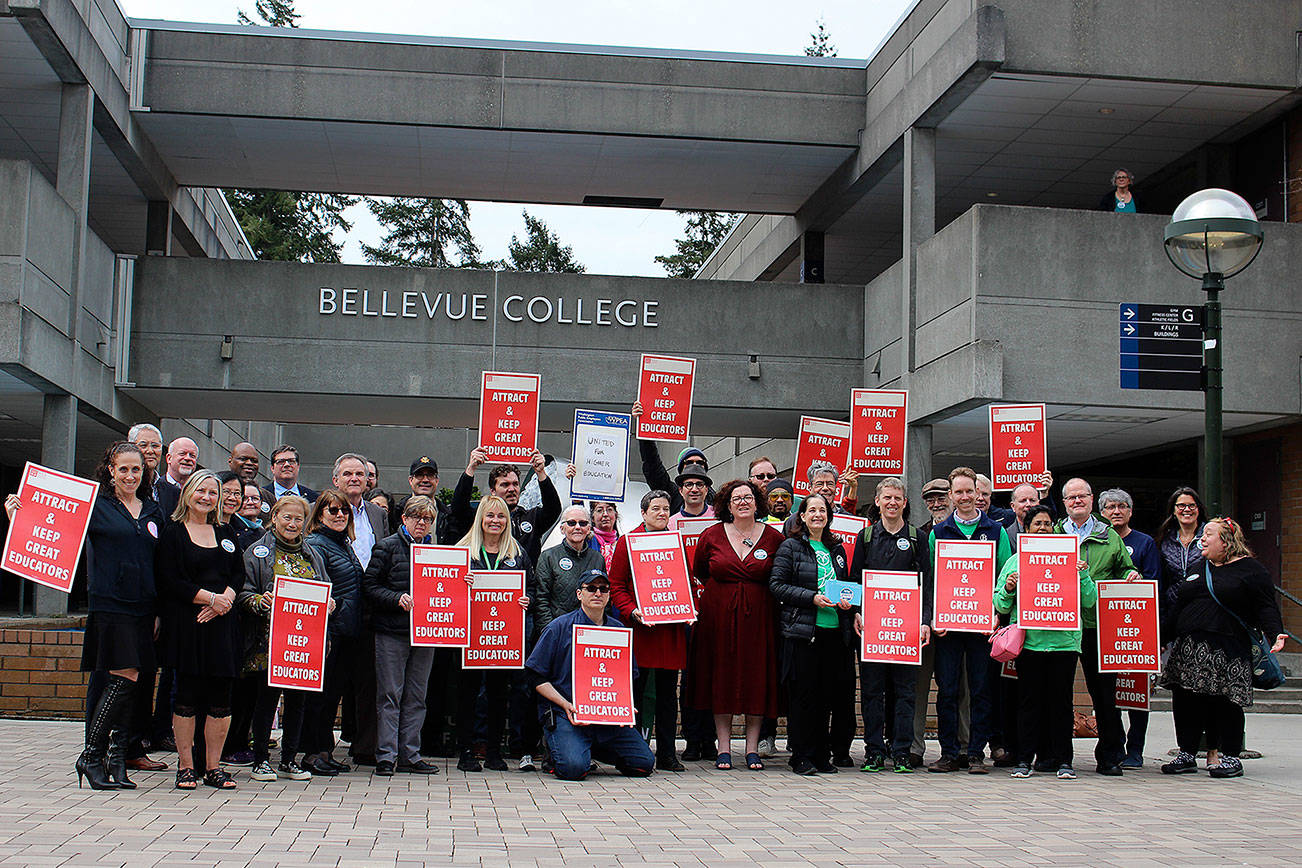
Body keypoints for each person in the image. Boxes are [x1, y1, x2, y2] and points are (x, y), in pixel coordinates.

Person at [6, 444, 163, 790]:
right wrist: (15, 516)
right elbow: (52, 532)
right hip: (110, 603)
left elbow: (159, 562)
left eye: (136, 469)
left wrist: (158, 612)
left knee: (131, 683)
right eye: (123, 469)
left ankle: (117, 761)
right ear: (110, 470)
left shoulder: (153, 510)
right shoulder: (97, 506)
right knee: (124, 677)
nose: (130, 476)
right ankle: (91, 755)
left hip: (144, 606)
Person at [1160, 518, 1286, 779]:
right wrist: (1162, 637)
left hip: (1228, 650)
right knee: (1185, 702)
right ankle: (1187, 753)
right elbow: (1179, 607)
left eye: (1208, 534)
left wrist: (1276, 633)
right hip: (1189, 650)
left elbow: (1266, 606)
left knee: (1225, 703)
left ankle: (1230, 757)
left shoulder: (1251, 570)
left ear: (1226, 541)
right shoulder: (1199, 567)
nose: (1202, 539)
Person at [154, 470, 242, 790]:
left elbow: (238, 574)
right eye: (201, 491)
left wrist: (225, 601)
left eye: (213, 493)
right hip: (188, 625)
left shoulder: (227, 531)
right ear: (188, 493)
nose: (207, 498)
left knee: (221, 697)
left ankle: (214, 767)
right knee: (186, 696)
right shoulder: (173, 532)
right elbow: (170, 579)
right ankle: (186, 765)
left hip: (222, 625)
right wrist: (210, 598)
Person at [525, 569, 656, 781]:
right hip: (567, 715)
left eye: (603, 589)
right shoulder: (559, 627)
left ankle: (586, 749)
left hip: (607, 719)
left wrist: (624, 705)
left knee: (643, 764)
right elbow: (535, 677)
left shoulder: (618, 631)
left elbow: (628, 677)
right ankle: (560, 750)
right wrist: (565, 704)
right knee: (574, 769)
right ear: (579, 594)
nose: (597, 593)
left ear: (609, 595)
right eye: (591, 588)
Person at [995, 505, 1096, 780]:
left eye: (1047, 523)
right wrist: (1008, 588)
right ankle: (1024, 760)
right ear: (1026, 528)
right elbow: (1000, 605)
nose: (1042, 528)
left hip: (1064, 644)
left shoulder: (1070, 557)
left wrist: (1082, 574)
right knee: (1029, 704)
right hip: (1031, 644)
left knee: (1061, 706)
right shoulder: (1015, 561)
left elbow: (1089, 602)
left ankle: (1064, 761)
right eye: (1037, 523)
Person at [689, 480, 784, 771]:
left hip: (760, 620)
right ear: (727, 505)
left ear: (757, 502)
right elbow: (701, 571)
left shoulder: (772, 537)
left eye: (748, 497)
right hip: (718, 618)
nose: (742, 502)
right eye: (736, 498)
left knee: (757, 678)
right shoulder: (712, 535)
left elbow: (778, 574)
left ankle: (753, 748)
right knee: (722, 678)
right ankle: (724, 748)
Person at [926, 467, 1013, 774]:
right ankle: (949, 753)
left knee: (981, 690)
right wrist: (936, 615)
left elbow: (1005, 576)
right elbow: (932, 580)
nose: (964, 497)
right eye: (958, 492)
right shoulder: (938, 533)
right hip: (949, 626)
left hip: (982, 626)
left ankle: (976, 753)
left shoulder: (996, 531)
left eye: (969, 491)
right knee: (947, 690)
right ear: (951, 496)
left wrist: (997, 613)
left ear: (979, 493)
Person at [238, 495, 329, 783]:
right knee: (266, 702)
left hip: (302, 645)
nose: (292, 523)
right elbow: (242, 592)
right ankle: (261, 761)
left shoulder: (312, 554)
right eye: (286, 517)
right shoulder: (258, 552)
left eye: (298, 518)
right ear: (274, 517)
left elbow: (326, 588)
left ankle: (289, 760)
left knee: (297, 701)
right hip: (267, 643)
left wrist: (330, 603)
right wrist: (258, 601)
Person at [1056, 477, 1140, 776]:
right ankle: (1058, 755)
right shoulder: (1053, 533)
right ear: (1064, 503)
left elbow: (1125, 568)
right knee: (1059, 694)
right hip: (1059, 626)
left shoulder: (1109, 535)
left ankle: (1110, 755)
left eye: (1082, 496)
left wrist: (1131, 575)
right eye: (1070, 497)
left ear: (1092, 500)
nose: (1076, 501)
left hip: (1097, 625)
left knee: (1104, 694)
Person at [849, 477, 932, 774]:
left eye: (898, 498)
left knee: (905, 693)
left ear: (905, 503)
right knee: (872, 692)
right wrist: (856, 612)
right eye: (888, 498)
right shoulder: (867, 537)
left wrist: (925, 622)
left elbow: (927, 586)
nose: (893, 503)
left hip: (906, 630)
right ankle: (873, 751)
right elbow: (855, 579)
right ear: (879, 501)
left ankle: (901, 751)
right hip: (873, 629)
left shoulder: (916, 538)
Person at [769, 493, 855, 775]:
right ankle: (801, 756)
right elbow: (777, 586)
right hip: (804, 633)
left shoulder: (837, 549)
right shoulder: (791, 547)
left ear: (829, 516)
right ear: (802, 516)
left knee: (827, 697)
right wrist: (812, 598)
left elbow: (846, 586)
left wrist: (847, 602)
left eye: (823, 510)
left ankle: (821, 754)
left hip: (834, 633)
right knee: (803, 696)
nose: (818, 514)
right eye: (812, 510)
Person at [363, 495, 445, 776]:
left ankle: (410, 753)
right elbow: (370, 586)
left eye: (427, 519)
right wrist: (396, 597)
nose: (422, 523)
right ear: (404, 518)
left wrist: (462, 580)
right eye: (417, 517)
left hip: (426, 634)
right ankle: (386, 755)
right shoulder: (386, 547)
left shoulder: (437, 551)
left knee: (417, 696)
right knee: (390, 694)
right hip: (392, 632)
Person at [609, 491, 688, 772]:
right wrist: (631, 611)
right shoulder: (627, 542)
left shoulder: (677, 542)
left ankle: (667, 753)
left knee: (668, 694)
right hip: (640, 629)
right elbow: (615, 585)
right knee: (636, 693)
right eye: (656, 508)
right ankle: (635, 750)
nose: (662, 513)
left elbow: (687, 582)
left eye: (666, 509)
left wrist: (690, 609)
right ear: (643, 513)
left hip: (670, 630)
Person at [454, 495, 533, 772]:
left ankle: (494, 752)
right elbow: (449, 590)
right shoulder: (463, 551)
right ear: (480, 519)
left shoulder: (517, 553)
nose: (496, 521)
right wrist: (460, 585)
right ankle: (466, 751)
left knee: (500, 694)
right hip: (471, 636)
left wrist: (527, 601)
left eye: (501, 516)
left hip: (503, 637)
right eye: (490, 516)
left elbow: (531, 589)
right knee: (469, 693)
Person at [302, 490, 366, 776]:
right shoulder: (316, 543)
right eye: (333, 510)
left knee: (331, 696)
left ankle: (325, 751)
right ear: (320, 515)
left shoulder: (344, 544)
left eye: (344, 511)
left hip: (346, 632)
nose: (340, 515)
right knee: (319, 696)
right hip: (328, 633)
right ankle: (312, 753)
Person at [1100, 487, 1162, 768]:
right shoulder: (1101, 540)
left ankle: (1136, 749)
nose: (1116, 511)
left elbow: (1153, 582)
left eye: (1122, 506)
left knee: (1137, 691)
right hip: (1105, 625)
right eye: (1111, 507)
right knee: (1109, 692)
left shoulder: (1145, 542)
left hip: (1136, 627)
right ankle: (1116, 745)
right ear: (1101, 513)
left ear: (1130, 511)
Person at [333, 452, 389, 766]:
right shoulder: (328, 509)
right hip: (338, 605)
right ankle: (319, 747)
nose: (355, 479)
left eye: (360, 474)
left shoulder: (377, 514)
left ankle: (365, 747)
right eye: (348, 474)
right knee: (334, 679)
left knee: (370, 680)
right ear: (336, 479)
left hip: (372, 605)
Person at [454, 448, 560, 564]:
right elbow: (458, 508)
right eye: (505, 485)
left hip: (524, 580)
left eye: (515, 484)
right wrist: (471, 468)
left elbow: (553, 509)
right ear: (493, 491)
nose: (511, 489)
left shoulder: (532, 518)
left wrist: (541, 473)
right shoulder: (482, 518)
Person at [630, 401, 714, 514]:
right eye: (689, 462)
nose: (695, 466)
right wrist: (644, 426)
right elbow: (652, 466)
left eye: (699, 463)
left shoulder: (718, 500)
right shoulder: (672, 495)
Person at [535, 505, 605, 635]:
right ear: (562, 528)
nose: (577, 527)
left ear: (589, 528)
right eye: (572, 523)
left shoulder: (598, 558)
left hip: (589, 632)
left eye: (583, 523)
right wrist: (550, 632)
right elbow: (541, 600)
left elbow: (604, 597)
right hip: (558, 631)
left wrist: (602, 630)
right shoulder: (548, 556)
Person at [1156, 487, 1208, 620]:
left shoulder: (1209, 536)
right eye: (1181, 505)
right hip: (1174, 608)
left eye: (1191, 505)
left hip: (1204, 607)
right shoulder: (1165, 540)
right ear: (1173, 510)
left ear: (1198, 509)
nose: (1187, 509)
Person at [391, 456, 456, 542]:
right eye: (419, 475)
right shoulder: (397, 511)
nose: (425, 480)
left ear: (437, 480)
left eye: (430, 475)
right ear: (411, 480)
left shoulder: (447, 514)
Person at [155, 436, 198, 518]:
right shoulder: (155, 488)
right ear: (169, 458)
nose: (188, 458)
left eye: (192, 456)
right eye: (182, 454)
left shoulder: (198, 493)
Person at [128, 423, 164, 494]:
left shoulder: (171, 491)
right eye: (143, 445)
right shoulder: (123, 487)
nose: (150, 451)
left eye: (155, 446)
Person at [590, 501, 622, 572]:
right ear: (592, 518)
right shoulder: (587, 540)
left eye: (609, 510)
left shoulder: (623, 543)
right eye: (599, 510)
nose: (605, 514)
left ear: (616, 515)